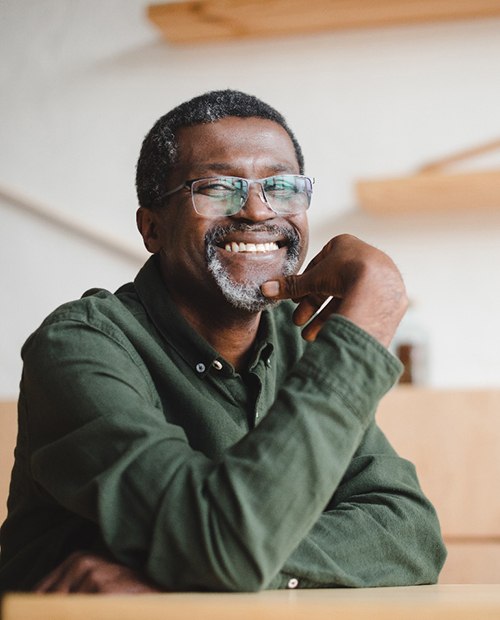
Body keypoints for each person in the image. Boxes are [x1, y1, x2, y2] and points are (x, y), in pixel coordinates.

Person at [0, 90, 446, 593]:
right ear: (153, 228)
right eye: (216, 189)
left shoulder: (297, 339)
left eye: (281, 186)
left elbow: (410, 534)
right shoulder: (79, 346)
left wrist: (201, 567)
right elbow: (222, 546)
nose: (258, 212)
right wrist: (365, 325)